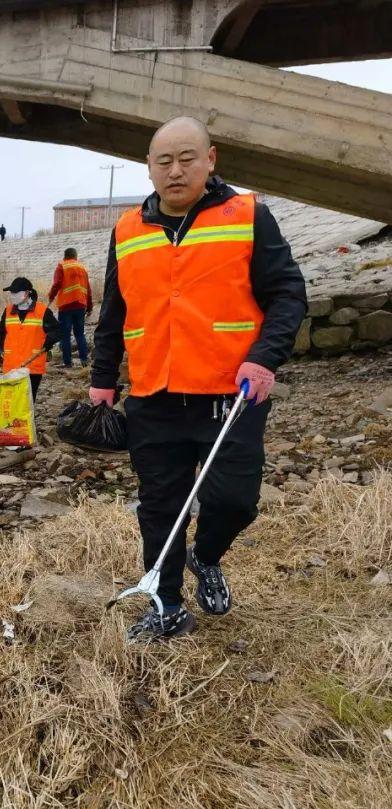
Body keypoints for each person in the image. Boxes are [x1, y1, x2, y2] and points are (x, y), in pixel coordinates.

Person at [90, 116, 306, 641]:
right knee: (159, 508)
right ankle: (166, 606)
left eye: (187, 158)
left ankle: (205, 555)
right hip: (154, 397)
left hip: (230, 394)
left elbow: (288, 294)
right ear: (149, 168)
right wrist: (102, 380)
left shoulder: (248, 215)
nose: (175, 170)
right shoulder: (127, 230)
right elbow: (114, 312)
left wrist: (265, 357)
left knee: (235, 501)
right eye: (163, 161)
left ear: (211, 159)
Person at [0, 277, 61, 402]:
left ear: (27, 293)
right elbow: (0, 332)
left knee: (27, 401)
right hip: (11, 365)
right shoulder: (7, 311)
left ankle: (27, 421)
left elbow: (57, 330)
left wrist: (49, 340)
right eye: (11, 293)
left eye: (16, 293)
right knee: (12, 400)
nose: (13, 296)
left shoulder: (42, 311)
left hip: (32, 365)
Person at [48, 247, 94, 368]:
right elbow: (88, 289)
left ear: (65, 256)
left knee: (65, 335)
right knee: (79, 334)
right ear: (75, 256)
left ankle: (68, 362)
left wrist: (51, 296)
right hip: (80, 305)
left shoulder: (61, 266)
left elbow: (57, 283)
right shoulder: (82, 267)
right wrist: (89, 306)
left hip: (66, 305)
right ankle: (84, 361)